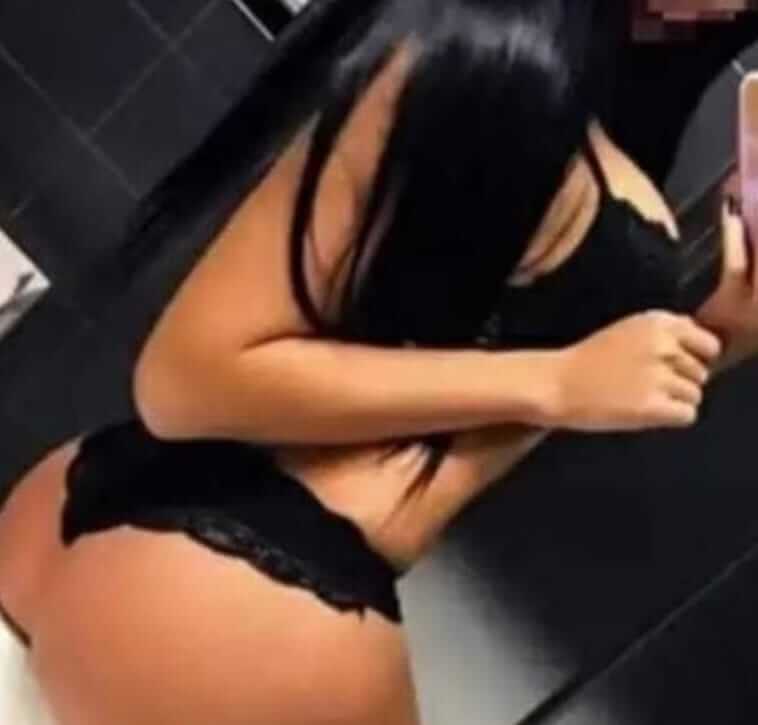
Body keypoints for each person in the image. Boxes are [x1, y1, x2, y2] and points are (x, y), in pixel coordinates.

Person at [0, 1, 755, 723]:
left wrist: (722, 331)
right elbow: (185, 379)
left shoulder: (555, 88)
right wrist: (555, 380)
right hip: (243, 603)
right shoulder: (485, 48)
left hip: (139, 537)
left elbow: (527, 403)